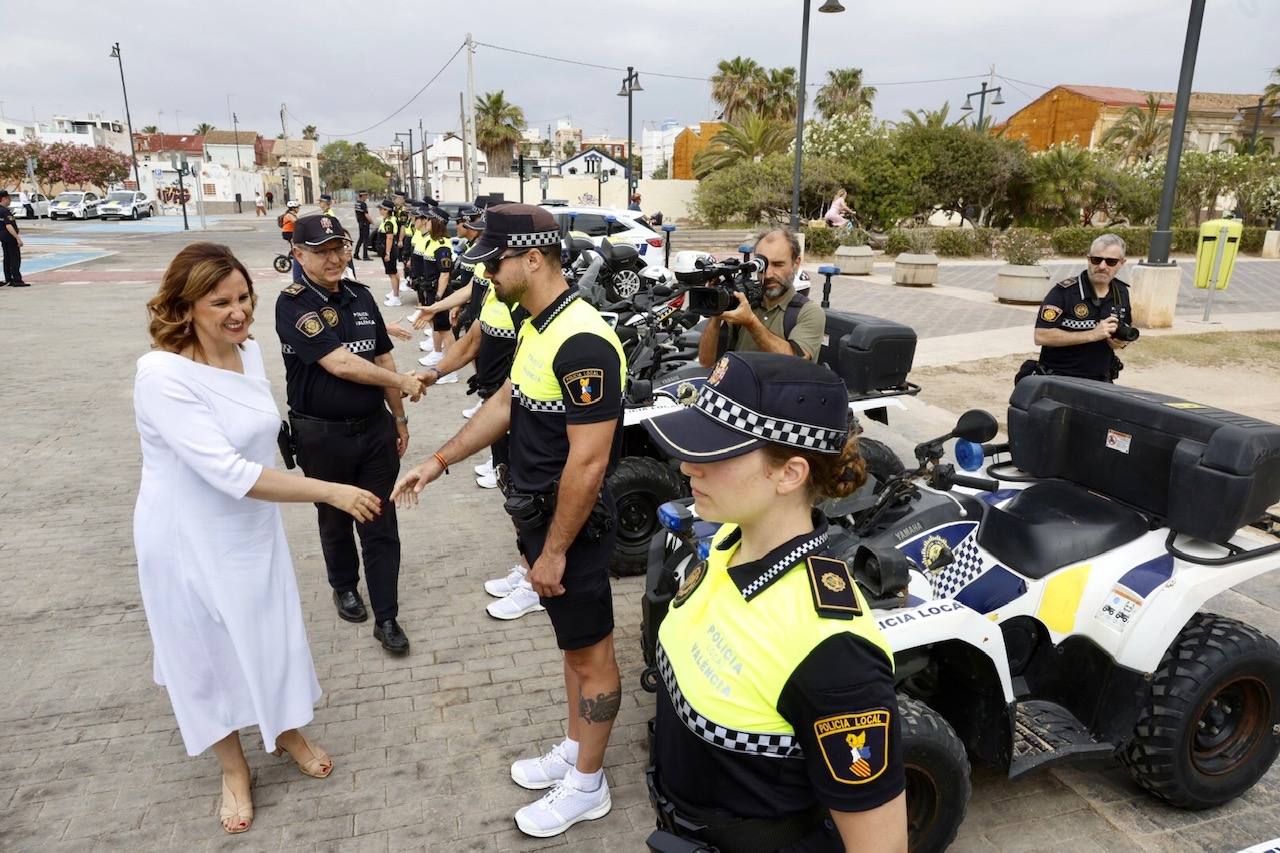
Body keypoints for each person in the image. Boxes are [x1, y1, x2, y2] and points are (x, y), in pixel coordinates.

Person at [393, 203, 626, 838]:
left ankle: (588, 783)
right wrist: (439, 460)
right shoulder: (536, 323)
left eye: (494, 261)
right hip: (542, 524)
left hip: (570, 529)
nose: (487, 273)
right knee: (573, 650)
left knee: (594, 655)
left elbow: (589, 462)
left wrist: (552, 554)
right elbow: (505, 401)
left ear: (532, 258)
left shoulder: (582, 340)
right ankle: (577, 750)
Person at [134, 242, 378, 834]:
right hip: (186, 534)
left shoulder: (250, 352)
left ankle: (284, 729)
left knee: (269, 633)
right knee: (204, 653)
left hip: (249, 528)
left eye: (243, 297)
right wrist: (330, 490)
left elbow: (260, 442)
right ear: (185, 306)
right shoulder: (161, 375)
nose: (237, 311)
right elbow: (229, 472)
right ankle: (233, 768)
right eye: (220, 302)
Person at [641, 351, 907, 852]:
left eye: (716, 452)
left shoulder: (833, 652)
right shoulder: (726, 542)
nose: (687, 465)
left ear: (789, 474)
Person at [276, 214, 426, 654]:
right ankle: (344, 585)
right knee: (336, 518)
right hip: (322, 437)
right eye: (321, 251)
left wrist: (399, 419)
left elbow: (382, 359)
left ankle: (387, 616)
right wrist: (404, 385)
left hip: (374, 433)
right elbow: (338, 362)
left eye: (339, 248)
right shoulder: (293, 304)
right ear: (298, 255)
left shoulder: (361, 297)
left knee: (381, 522)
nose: (334, 258)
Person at [697, 227, 825, 368]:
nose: (768, 274)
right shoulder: (743, 303)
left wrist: (751, 322)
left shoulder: (808, 312)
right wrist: (716, 309)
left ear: (796, 264)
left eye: (778, 265)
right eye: (762, 265)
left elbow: (794, 363)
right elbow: (706, 362)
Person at [1027, 233, 1134, 383]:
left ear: (1121, 263)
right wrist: (1092, 334)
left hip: (1101, 381)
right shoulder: (1064, 292)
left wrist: (1119, 342)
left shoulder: (1121, 292)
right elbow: (1041, 335)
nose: (1102, 266)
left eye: (1110, 261)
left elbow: (1123, 333)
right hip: (1059, 379)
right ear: (1088, 259)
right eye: (1097, 260)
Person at [414, 211, 459, 381]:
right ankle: (439, 355)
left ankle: (452, 370)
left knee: (446, 331)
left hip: (439, 293)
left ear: (437, 223)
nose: (425, 223)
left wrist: (439, 298)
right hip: (431, 291)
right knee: (437, 326)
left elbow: (445, 274)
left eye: (429, 221)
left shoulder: (442, 245)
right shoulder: (431, 241)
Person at [377, 200, 403, 306]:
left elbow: (389, 237)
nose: (380, 211)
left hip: (389, 249)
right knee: (394, 272)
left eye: (382, 209)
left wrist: (387, 253)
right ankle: (395, 293)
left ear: (387, 210)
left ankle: (396, 297)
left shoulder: (388, 222)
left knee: (391, 273)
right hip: (390, 249)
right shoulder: (389, 219)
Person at [0, 190, 26, 288]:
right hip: (10, 238)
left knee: (7, 259)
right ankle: (16, 280)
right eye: (8, 198)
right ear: (4, 199)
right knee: (15, 259)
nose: (10, 200)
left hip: (3, 237)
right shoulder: (5, 211)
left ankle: (8, 278)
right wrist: (17, 238)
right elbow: (9, 225)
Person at [280, 200, 302, 284]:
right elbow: (296, 222)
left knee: (297, 243)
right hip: (288, 233)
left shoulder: (293, 214)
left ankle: (292, 254)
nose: (298, 209)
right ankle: (294, 254)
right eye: (297, 207)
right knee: (296, 245)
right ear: (293, 208)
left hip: (291, 232)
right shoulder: (289, 215)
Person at [353, 191, 372, 261]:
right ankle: (365, 255)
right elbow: (366, 215)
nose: (366, 197)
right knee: (365, 240)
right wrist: (371, 221)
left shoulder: (357, 203)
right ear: (362, 196)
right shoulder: (363, 204)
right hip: (365, 223)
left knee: (361, 239)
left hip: (360, 223)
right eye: (366, 196)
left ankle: (356, 253)